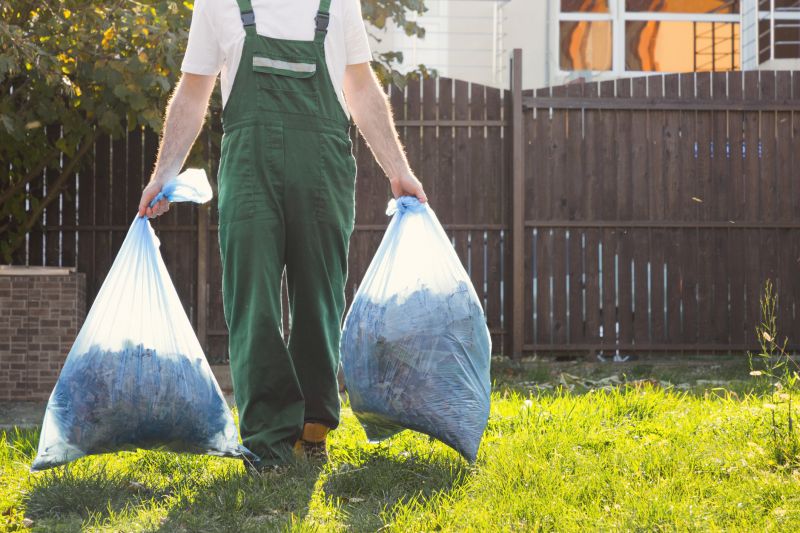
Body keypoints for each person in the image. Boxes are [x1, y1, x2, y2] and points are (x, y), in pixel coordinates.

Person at [137, 0, 427, 472]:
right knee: (252, 300)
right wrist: (162, 173)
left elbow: (359, 86)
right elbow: (193, 92)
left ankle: (313, 428)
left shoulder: (338, 3)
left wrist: (399, 170)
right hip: (250, 167)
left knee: (320, 297)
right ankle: (267, 440)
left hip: (324, 165)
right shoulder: (219, 3)